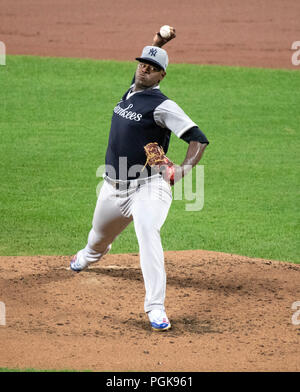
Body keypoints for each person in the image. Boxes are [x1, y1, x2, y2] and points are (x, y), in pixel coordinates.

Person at [70, 27, 209, 331]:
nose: (145, 69)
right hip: (112, 188)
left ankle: (155, 307)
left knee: (148, 232)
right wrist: (158, 43)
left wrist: (184, 169)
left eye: (153, 67)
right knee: (97, 239)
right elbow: (144, 64)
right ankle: (89, 255)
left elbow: (198, 139)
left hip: (149, 186)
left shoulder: (163, 106)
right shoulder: (131, 91)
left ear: (161, 76)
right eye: (142, 64)